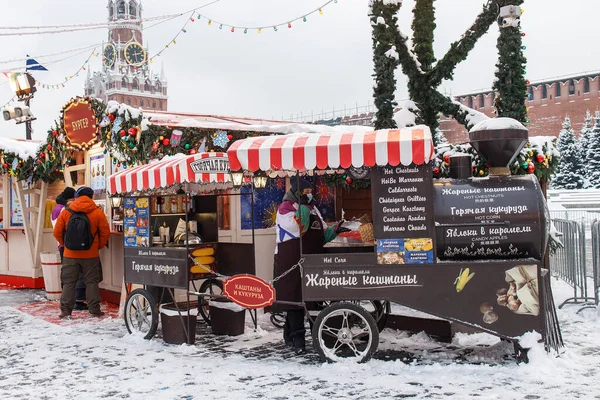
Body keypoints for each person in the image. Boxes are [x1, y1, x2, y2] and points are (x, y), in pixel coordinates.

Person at [273, 178, 350, 354]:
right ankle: (298, 340)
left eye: (310, 191)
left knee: (311, 299)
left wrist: (336, 229)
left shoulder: (313, 208)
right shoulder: (285, 208)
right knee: (294, 300)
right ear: (296, 192)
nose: (309, 195)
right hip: (291, 259)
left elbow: (322, 233)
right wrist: (302, 210)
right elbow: (297, 229)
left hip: (313, 260)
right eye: (305, 192)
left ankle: (298, 334)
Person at [53, 186, 110, 319]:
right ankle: (94, 310)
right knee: (91, 282)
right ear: (91, 197)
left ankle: (66, 311)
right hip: (91, 254)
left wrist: (66, 245)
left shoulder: (67, 211)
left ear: (77, 196)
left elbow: (57, 232)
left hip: (70, 254)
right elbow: (105, 233)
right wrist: (97, 246)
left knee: (69, 283)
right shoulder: (97, 212)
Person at [51, 187, 88, 310]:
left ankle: (67, 299)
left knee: (67, 273)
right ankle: (76, 300)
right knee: (75, 273)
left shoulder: (56, 208)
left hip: (62, 244)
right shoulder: (64, 210)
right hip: (69, 245)